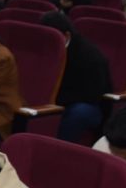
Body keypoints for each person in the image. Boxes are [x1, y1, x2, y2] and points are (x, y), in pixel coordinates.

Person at [39, 11, 112, 141]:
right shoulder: (45, 49)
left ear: (66, 35)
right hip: (55, 99)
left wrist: (57, 101)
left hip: (85, 103)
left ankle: (57, 147)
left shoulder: (90, 56)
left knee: (80, 112)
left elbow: (92, 95)